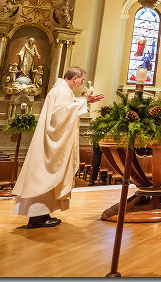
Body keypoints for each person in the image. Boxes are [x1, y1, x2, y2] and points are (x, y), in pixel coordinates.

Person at [13, 66, 104, 228]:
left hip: (50, 141)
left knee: (45, 177)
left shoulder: (61, 90)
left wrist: (85, 101)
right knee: (46, 176)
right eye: (81, 80)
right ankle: (37, 217)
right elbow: (61, 114)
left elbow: (66, 107)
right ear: (74, 78)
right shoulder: (61, 91)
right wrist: (83, 102)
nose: (81, 84)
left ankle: (42, 214)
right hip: (52, 144)